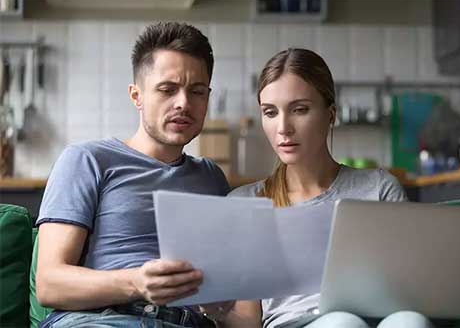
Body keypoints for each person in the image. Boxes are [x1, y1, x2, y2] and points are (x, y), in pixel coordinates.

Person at [217, 48, 434, 328]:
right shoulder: (245, 203)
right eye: (270, 112)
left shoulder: (379, 188)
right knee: (343, 324)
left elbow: (412, 287)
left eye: (300, 110)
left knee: (411, 321)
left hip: (378, 319)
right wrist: (217, 310)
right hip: (296, 323)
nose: (283, 127)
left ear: (330, 114)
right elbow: (247, 322)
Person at [35, 21, 232, 328]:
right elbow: (49, 283)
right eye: (167, 90)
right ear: (136, 96)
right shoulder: (88, 160)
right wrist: (137, 283)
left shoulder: (212, 178)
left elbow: (230, 286)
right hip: (99, 321)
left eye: (197, 92)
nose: (183, 103)